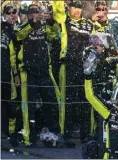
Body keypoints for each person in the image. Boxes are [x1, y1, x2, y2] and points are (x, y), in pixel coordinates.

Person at [16, 4, 61, 147]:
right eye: (32, 12)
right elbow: (19, 35)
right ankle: (30, 137)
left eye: (37, 12)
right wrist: (32, 22)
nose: (35, 14)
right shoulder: (22, 26)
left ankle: (53, 134)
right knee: (29, 107)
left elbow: (54, 33)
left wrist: (50, 20)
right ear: (28, 14)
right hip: (29, 73)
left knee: (52, 102)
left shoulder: (44, 27)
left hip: (44, 72)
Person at [52, 0, 94, 146]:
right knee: (67, 102)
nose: (76, 11)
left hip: (85, 67)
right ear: (68, 8)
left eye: (78, 8)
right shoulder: (64, 21)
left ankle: (86, 135)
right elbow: (57, 11)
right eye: (73, 7)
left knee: (85, 101)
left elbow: (95, 43)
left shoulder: (89, 24)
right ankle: (66, 134)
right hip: (68, 66)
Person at [1, 2, 20, 144]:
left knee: (11, 104)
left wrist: (15, 74)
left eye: (14, 12)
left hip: (9, 74)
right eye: (9, 12)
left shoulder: (16, 30)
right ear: (3, 14)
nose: (12, 15)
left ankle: (11, 132)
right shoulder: (2, 28)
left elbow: (13, 57)